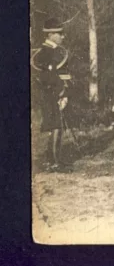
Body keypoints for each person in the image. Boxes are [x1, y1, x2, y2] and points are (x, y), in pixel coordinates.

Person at [31, 18, 72, 172]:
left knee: (56, 125)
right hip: (51, 94)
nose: (63, 37)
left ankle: (53, 160)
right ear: (51, 35)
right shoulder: (45, 53)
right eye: (60, 34)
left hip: (55, 93)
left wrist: (64, 92)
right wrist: (60, 93)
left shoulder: (54, 51)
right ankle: (54, 162)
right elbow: (47, 76)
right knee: (54, 125)